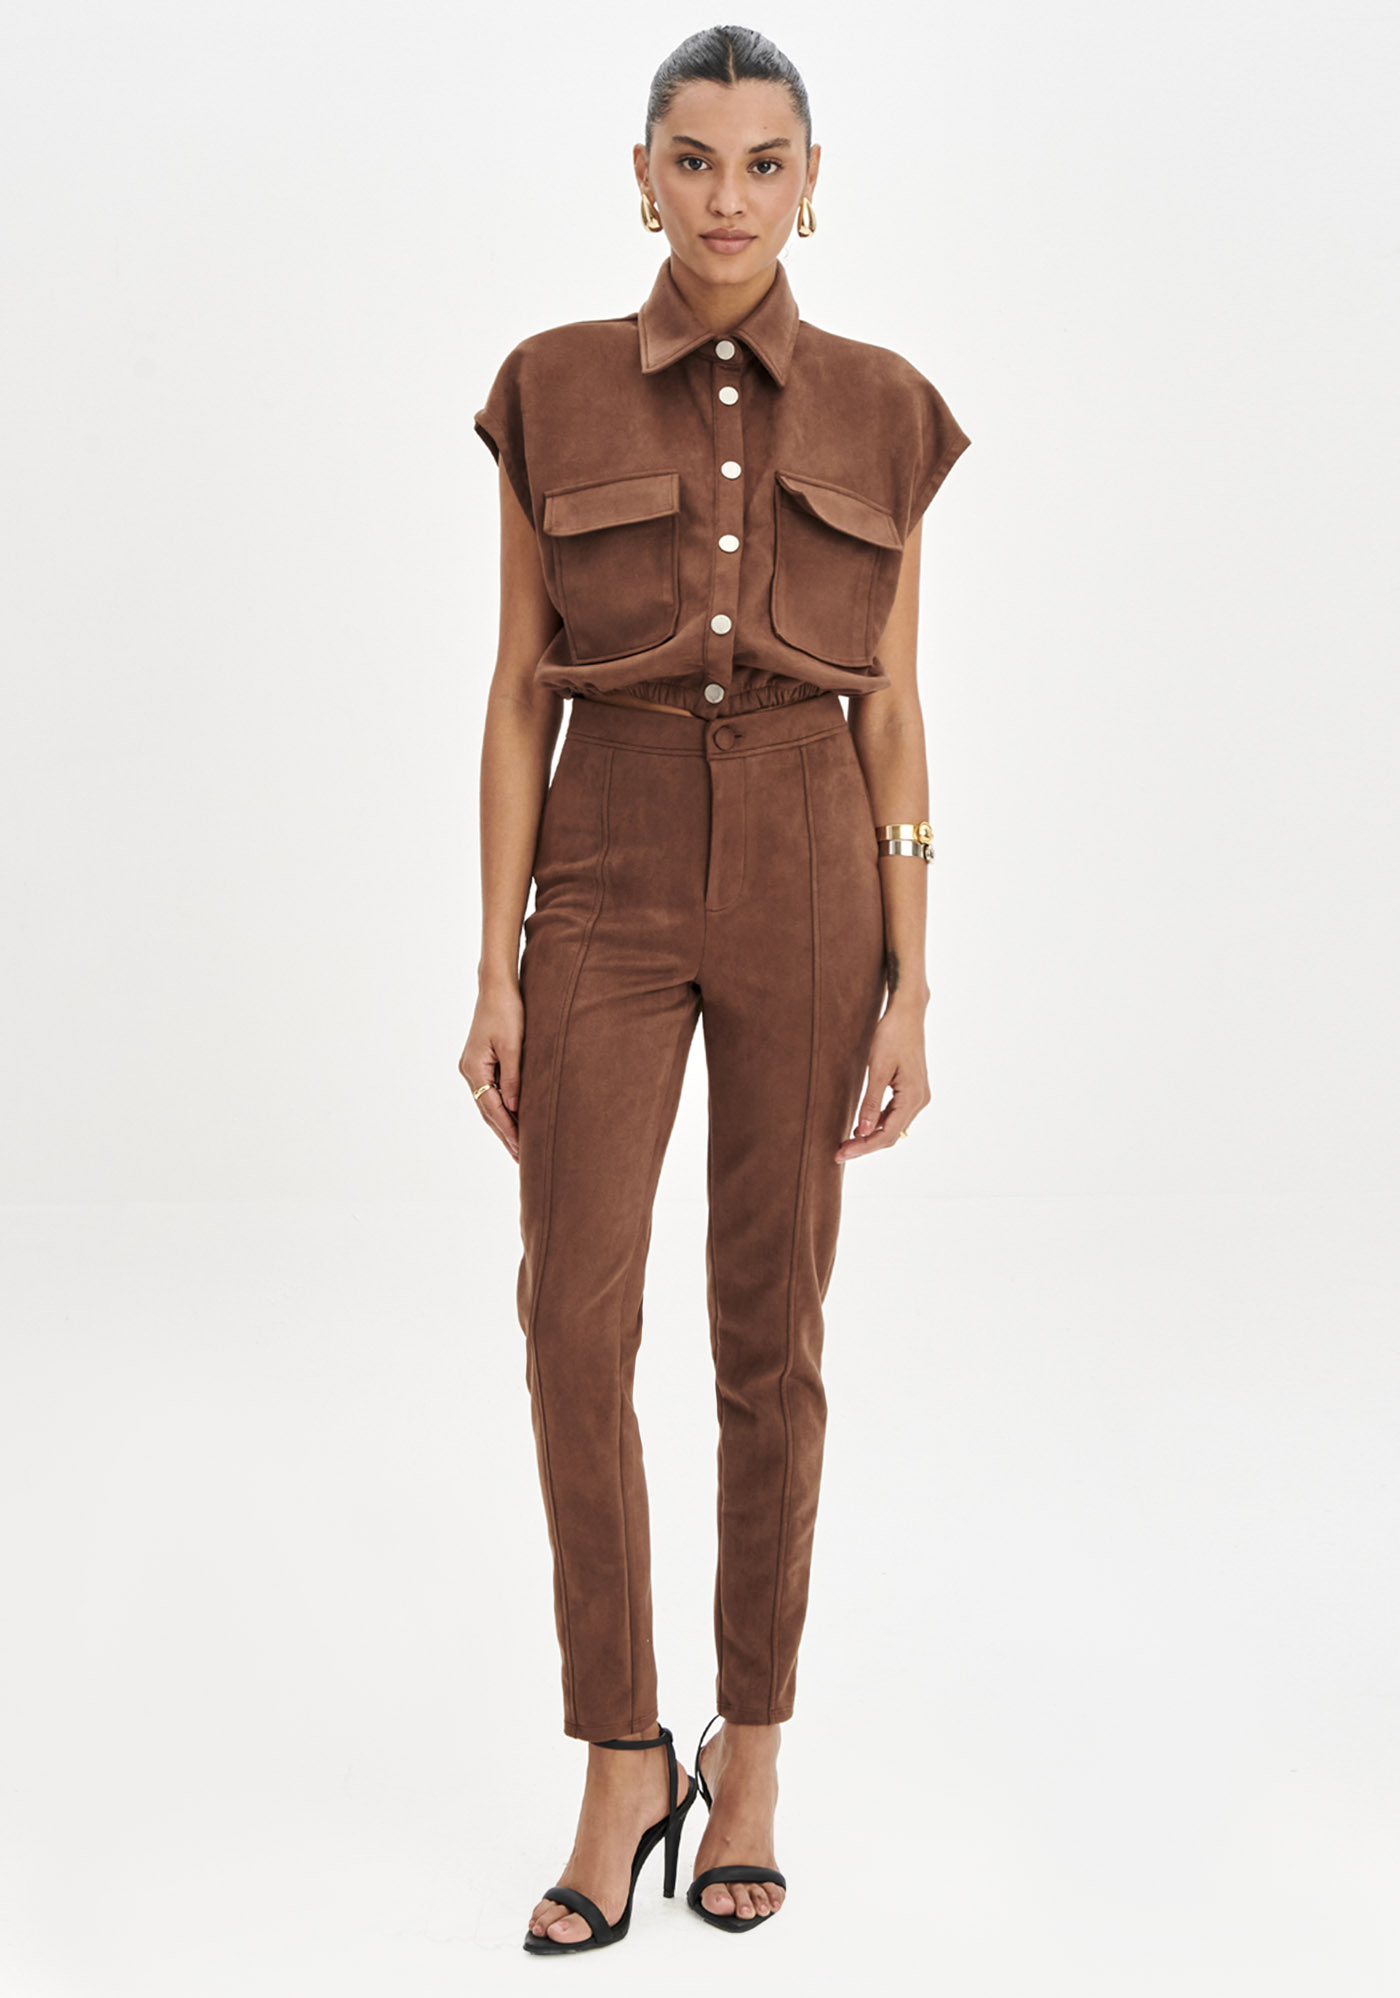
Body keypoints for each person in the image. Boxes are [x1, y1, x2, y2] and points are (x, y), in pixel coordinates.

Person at [460, 25, 971, 1955]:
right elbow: (514, 690)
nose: (729, 198)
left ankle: (748, 1750)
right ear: (643, 175)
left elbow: (896, 715)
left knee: (773, 1325)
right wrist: (495, 959)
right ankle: (622, 1753)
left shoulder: (888, 408)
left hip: (812, 858)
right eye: (695, 160)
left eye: (766, 164)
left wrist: (914, 974)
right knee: (568, 1318)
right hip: (603, 856)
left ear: (813, 183)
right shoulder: (551, 385)